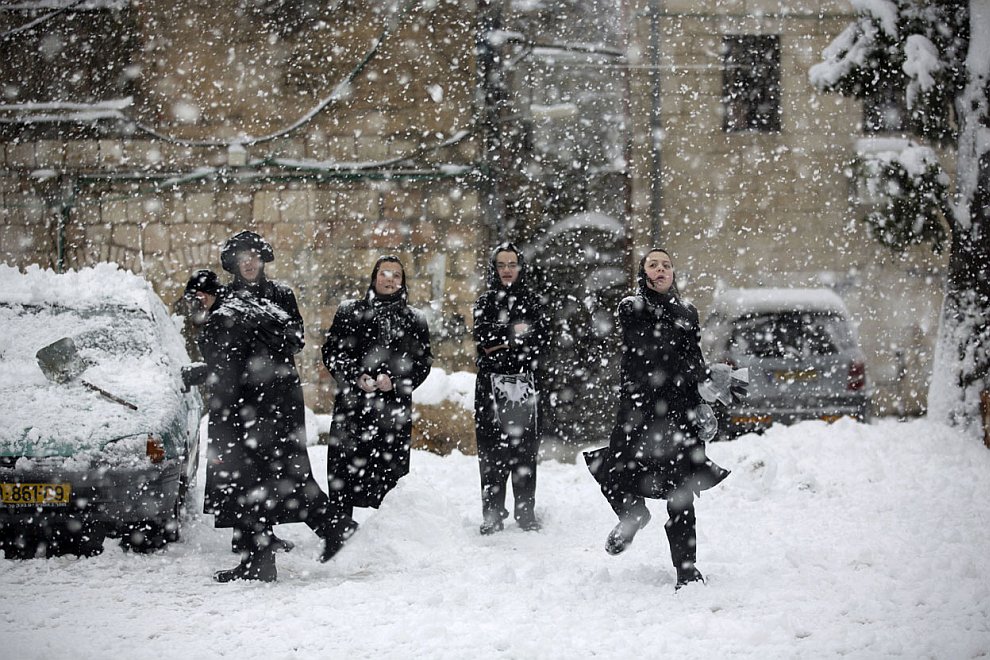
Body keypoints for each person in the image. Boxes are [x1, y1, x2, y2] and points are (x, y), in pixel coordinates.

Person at [584, 248, 730, 590]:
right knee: (614, 471)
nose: (661, 269)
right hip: (639, 410)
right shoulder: (631, 307)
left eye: (666, 265)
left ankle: (686, 570)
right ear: (643, 272)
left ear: (673, 273)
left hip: (679, 414)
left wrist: (706, 393)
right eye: (653, 264)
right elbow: (653, 352)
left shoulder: (688, 312)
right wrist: (696, 371)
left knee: (682, 492)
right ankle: (633, 514)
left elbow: (693, 358)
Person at [185, 266, 339, 583]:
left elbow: (229, 372)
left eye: (196, 298)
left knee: (249, 486)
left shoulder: (223, 318)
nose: (194, 305)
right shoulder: (244, 310)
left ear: (204, 295)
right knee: (266, 484)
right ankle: (323, 535)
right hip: (264, 413)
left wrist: (200, 375)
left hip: (244, 416)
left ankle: (264, 560)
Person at [321, 255, 433, 548]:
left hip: (392, 411)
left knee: (390, 473)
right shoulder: (349, 311)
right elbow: (332, 352)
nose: (390, 279)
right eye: (385, 273)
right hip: (353, 407)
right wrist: (355, 375)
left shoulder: (415, 318)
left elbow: (423, 362)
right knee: (343, 471)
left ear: (403, 282)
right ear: (374, 277)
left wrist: (395, 381)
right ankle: (340, 532)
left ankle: (389, 539)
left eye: (397, 275)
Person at [217, 230, 303, 555]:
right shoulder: (227, 298)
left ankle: (265, 530)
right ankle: (244, 534)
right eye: (242, 258)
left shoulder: (282, 295)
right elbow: (220, 347)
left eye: (253, 256)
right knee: (242, 466)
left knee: (272, 464)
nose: (249, 263)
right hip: (241, 397)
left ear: (262, 259)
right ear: (234, 263)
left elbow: (296, 339)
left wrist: (269, 331)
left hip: (277, 395)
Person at [472, 242, 550, 534]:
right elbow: (483, 338)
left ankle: (525, 512)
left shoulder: (533, 301)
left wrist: (503, 340)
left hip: (525, 383)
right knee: (491, 451)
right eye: (501, 265)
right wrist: (514, 333)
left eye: (512, 264)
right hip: (490, 386)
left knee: (525, 450)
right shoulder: (484, 302)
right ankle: (492, 514)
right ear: (494, 269)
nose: (507, 270)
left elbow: (541, 340)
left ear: (520, 268)